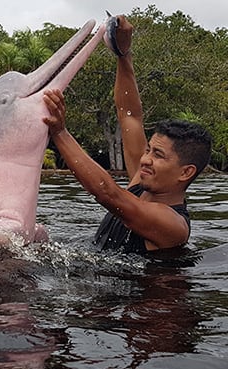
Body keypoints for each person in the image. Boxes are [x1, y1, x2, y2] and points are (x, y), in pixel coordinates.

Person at [42, 15, 212, 254]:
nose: (145, 159)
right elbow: (129, 115)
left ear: (186, 172)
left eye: (158, 155)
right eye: (148, 150)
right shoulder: (141, 183)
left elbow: (108, 194)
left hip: (128, 291)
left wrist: (60, 133)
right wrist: (123, 55)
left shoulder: (173, 225)